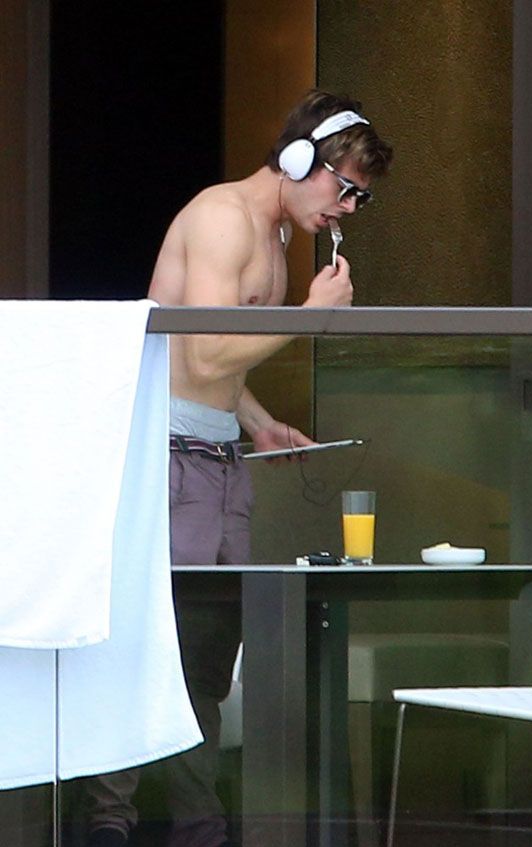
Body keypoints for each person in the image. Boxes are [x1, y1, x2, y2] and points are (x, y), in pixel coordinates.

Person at [85, 88, 393, 847]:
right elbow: (203, 353)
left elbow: (218, 365)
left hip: (219, 456)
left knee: (207, 660)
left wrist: (256, 422)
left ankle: (200, 827)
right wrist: (310, 317)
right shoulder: (222, 217)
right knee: (150, 647)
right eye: (344, 188)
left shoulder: (275, 236)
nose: (349, 208)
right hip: (170, 458)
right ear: (298, 159)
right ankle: (110, 822)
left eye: (360, 197)